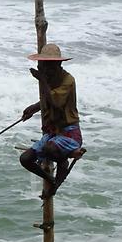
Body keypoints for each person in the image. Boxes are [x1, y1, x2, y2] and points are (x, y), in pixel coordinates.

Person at [19, 43, 82, 198]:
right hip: (52, 132)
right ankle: (51, 179)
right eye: (42, 65)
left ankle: (62, 163)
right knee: (25, 159)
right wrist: (33, 108)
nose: (44, 69)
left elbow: (55, 101)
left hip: (69, 133)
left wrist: (42, 80)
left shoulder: (68, 80)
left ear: (58, 64)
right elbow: (47, 99)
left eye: (47, 65)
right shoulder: (49, 78)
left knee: (48, 149)